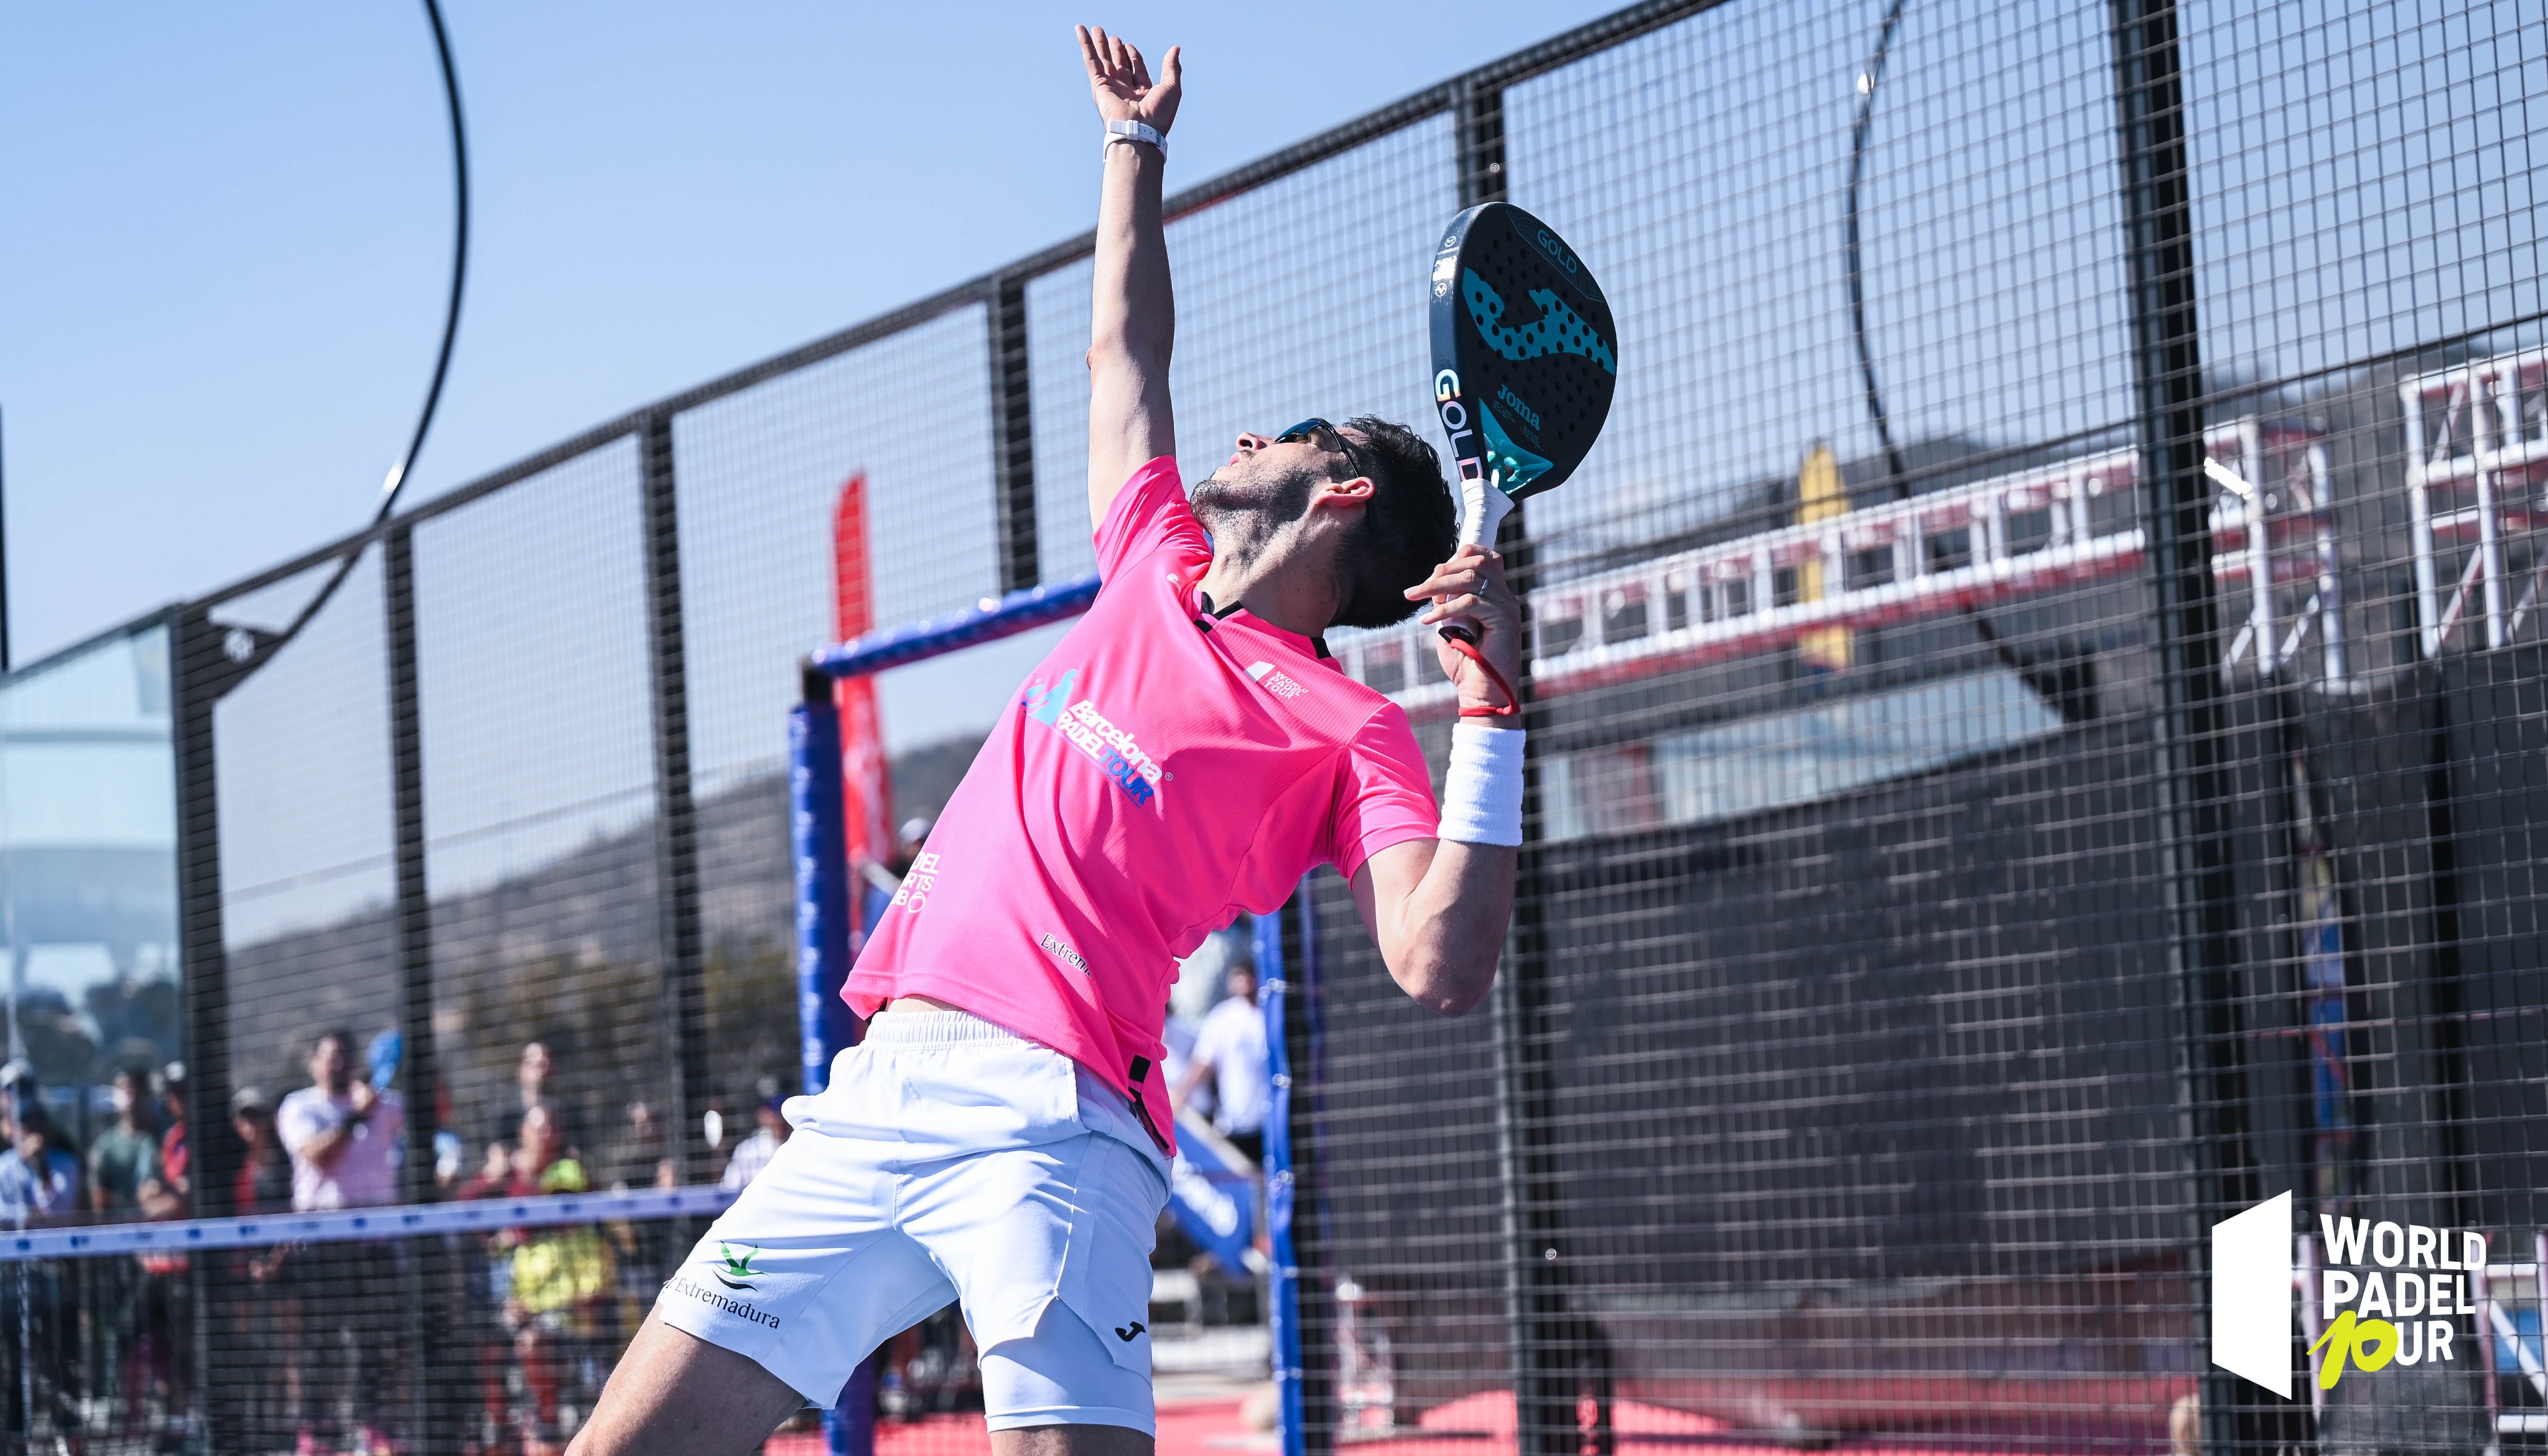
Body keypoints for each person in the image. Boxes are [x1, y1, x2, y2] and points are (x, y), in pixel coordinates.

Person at [570, 27, 1522, 1456]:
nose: (1248, 432)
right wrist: (1131, 149)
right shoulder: (1153, 549)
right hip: (878, 1093)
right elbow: (1122, 347)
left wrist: (1498, 713)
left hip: (1054, 1127)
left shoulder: (1354, 725)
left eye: (1292, 434)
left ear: (1336, 497)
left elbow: (1438, 960)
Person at [276, 1030, 409, 1456]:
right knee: (319, 1341)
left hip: (374, 1241)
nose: (339, 1064)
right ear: (314, 1062)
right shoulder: (300, 1107)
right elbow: (317, 1154)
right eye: (330, 1056)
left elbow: (434, 1117)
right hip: (321, 1243)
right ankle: (315, 1433)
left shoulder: (386, 1105)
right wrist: (356, 1114)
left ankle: (371, 1427)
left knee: (374, 1340)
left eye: (345, 1057)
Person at [1174, 965, 1270, 1164]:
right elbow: (1202, 1062)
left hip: (1269, 1121)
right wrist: (1181, 1095)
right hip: (1234, 1122)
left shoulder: (1271, 1014)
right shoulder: (1224, 1016)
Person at [715, 1097, 789, 1191]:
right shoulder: (747, 1149)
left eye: (780, 1115)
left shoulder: (797, 1143)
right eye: (773, 1115)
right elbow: (729, 1186)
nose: (777, 1119)